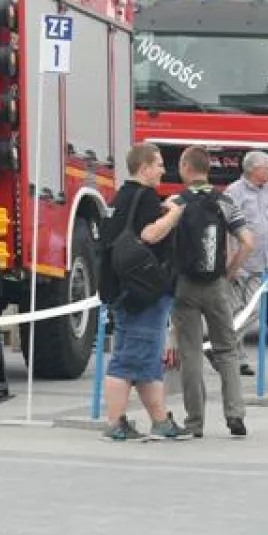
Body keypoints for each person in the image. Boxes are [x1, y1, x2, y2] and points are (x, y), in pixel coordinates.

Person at [100, 143, 190, 442]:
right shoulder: (147, 198)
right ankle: (115, 423)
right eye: (160, 164)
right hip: (143, 294)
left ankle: (161, 420)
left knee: (148, 359)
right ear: (144, 167)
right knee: (128, 359)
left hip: (125, 290)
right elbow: (150, 234)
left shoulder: (121, 198)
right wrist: (174, 215)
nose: (164, 170)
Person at [171, 146, 255, 438]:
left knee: (191, 353)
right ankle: (235, 415)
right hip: (217, 284)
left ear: (185, 166)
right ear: (208, 168)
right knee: (227, 351)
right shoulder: (225, 201)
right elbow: (247, 241)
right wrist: (229, 272)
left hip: (184, 285)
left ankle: (195, 422)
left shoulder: (176, 202)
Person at [224, 150, 268, 376]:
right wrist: (229, 261)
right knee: (241, 311)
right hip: (240, 262)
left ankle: (226, 348)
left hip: (263, 262)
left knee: (251, 310)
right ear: (254, 169)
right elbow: (224, 226)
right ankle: (233, 353)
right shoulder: (234, 192)